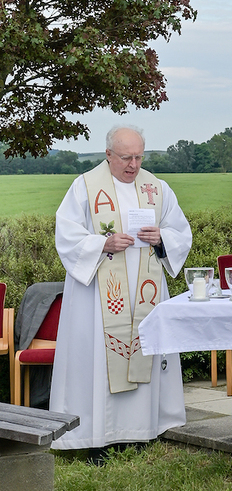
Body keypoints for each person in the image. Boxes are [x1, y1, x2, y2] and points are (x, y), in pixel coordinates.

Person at [51, 126, 192, 453]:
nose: (133, 165)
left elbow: (180, 232)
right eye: (126, 157)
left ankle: (141, 432)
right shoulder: (85, 187)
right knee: (99, 362)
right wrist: (103, 243)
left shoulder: (156, 188)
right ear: (108, 155)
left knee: (143, 352)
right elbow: (67, 235)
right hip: (98, 296)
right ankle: (96, 440)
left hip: (145, 291)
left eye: (139, 157)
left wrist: (161, 238)